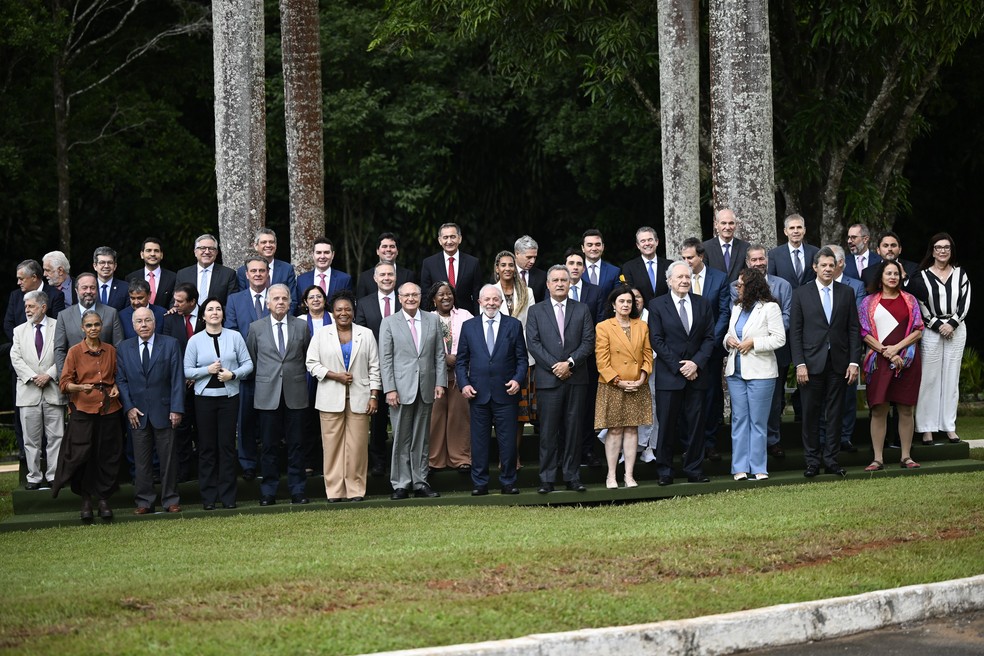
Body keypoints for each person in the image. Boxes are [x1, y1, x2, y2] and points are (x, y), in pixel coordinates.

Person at [789, 247, 861, 478]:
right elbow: (795, 332)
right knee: (810, 414)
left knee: (835, 413)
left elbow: (853, 330)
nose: (828, 269)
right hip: (810, 364)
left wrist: (854, 362)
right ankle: (812, 461)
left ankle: (831, 459)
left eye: (832, 265)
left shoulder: (846, 292)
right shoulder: (801, 293)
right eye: (824, 265)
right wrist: (799, 363)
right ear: (815, 267)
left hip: (839, 363)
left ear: (837, 266)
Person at [526, 265, 596, 493]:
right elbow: (533, 343)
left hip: (576, 378)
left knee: (574, 429)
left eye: (563, 280)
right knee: (548, 431)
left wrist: (570, 363)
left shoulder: (582, 309)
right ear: (547, 284)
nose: (559, 284)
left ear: (569, 283)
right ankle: (547, 478)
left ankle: (572, 476)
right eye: (554, 280)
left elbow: (588, 341)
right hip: (548, 379)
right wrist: (555, 366)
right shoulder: (536, 311)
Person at [306, 290, 380, 502]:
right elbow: (311, 363)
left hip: (360, 397)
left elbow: (375, 367)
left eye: (348, 309)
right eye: (339, 309)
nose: (343, 313)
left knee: (357, 447)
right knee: (332, 446)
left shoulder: (365, 334)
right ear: (332, 312)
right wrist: (334, 375)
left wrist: (374, 395)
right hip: (330, 396)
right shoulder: (321, 335)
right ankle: (335, 491)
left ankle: (356, 490)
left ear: (354, 312)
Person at [648, 261, 716, 485]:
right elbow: (656, 340)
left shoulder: (703, 303)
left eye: (688, 277)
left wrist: (695, 364)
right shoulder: (657, 305)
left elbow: (709, 338)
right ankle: (665, 471)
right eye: (680, 277)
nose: (685, 280)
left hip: (697, 375)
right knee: (667, 425)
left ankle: (694, 469)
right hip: (670, 376)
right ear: (669, 281)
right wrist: (680, 366)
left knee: (696, 425)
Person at [456, 284, 528, 495]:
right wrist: (464, 384)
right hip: (477, 393)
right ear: (479, 302)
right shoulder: (469, 326)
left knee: (507, 442)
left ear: (501, 302)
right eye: (486, 299)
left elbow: (522, 359)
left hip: (506, 392)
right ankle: (480, 483)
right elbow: (461, 361)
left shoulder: (513, 325)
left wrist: (517, 380)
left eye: (495, 299)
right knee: (479, 442)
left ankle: (508, 482)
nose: (491, 303)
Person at [52, 310, 123, 521]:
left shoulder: (110, 350)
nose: (93, 329)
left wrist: (117, 386)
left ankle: (103, 499)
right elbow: (64, 384)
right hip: (83, 409)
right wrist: (79, 387)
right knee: (82, 455)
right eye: (89, 325)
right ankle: (85, 499)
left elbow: (120, 375)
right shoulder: (74, 352)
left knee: (106, 454)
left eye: (97, 325)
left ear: (102, 326)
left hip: (109, 408)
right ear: (82, 328)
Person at [379, 282, 447, 499]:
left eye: (414, 294)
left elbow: (439, 354)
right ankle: (400, 483)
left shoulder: (432, 319)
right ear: (399, 298)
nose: (410, 298)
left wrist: (440, 382)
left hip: (426, 386)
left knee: (421, 438)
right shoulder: (389, 323)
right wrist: (389, 389)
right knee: (401, 437)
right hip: (400, 388)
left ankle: (420, 481)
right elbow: (385, 359)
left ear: (420, 297)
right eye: (406, 295)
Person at [184, 297, 253, 510]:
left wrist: (233, 375)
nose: (214, 312)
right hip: (204, 399)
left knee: (227, 447)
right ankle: (208, 497)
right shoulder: (194, 340)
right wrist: (207, 371)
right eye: (210, 309)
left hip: (229, 399)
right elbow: (187, 370)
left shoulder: (235, 336)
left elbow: (248, 364)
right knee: (206, 448)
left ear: (223, 314)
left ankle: (228, 497)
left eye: (218, 309)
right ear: (203, 316)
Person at [246, 284, 312, 505]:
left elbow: (306, 355)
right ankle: (268, 491)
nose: (280, 302)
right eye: (276, 298)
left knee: (296, 444)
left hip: (295, 392)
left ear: (290, 302)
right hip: (267, 394)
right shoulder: (256, 328)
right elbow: (253, 359)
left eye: (284, 298)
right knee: (269, 445)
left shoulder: (301, 327)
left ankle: (298, 489)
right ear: (267, 303)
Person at [115, 307, 185, 513]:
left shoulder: (170, 344)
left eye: (147, 320)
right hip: (137, 414)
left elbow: (177, 379)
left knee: (168, 459)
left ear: (155, 323)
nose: (143, 325)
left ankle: (171, 499)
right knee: (141, 461)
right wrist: (128, 408)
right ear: (133, 325)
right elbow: (121, 380)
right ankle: (144, 502)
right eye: (139, 321)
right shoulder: (124, 348)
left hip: (165, 411)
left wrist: (177, 409)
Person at [859, 260, 924, 471]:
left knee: (906, 408)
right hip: (879, 361)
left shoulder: (910, 300)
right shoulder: (868, 303)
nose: (893, 277)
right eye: (889, 273)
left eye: (896, 273)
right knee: (879, 409)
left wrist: (897, 349)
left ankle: (906, 456)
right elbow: (864, 333)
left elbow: (918, 330)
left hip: (908, 361)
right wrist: (886, 352)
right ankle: (877, 458)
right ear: (881, 277)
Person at [729, 246, 792, 459]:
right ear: (747, 262)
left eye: (761, 258)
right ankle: (743, 459)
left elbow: (787, 316)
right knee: (743, 415)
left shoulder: (782, 286)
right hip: (739, 362)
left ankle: (771, 443)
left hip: (770, 354)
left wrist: (764, 331)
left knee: (772, 404)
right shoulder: (735, 293)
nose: (758, 262)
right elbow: (733, 323)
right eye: (754, 259)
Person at [724, 268, 785, 481]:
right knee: (739, 419)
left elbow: (779, 339)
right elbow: (730, 334)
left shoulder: (770, 308)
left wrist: (754, 343)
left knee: (758, 421)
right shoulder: (737, 308)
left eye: (741, 285)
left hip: (761, 373)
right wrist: (727, 341)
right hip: (735, 372)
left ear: (751, 286)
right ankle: (739, 468)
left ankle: (759, 467)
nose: (737, 288)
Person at [912, 232, 971, 445]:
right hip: (931, 330)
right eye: (938, 247)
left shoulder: (960, 274)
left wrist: (952, 324)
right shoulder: (923, 275)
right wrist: (938, 325)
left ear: (951, 250)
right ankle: (926, 428)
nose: (943, 251)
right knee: (929, 378)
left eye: (946, 247)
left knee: (951, 377)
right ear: (932, 251)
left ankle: (949, 427)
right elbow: (921, 303)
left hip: (956, 329)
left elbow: (965, 303)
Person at [594, 285, 652, 489]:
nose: (626, 305)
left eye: (629, 301)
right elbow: (601, 361)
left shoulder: (642, 326)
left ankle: (629, 475)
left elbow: (647, 355)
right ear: (613, 304)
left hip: (637, 385)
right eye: (622, 301)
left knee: (632, 430)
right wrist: (618, 381)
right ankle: (611, 476)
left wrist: (642, 377)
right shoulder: (603, 327)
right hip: (613, 385)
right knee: (615, 430)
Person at [679, 237, 732, 461]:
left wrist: (708, 343)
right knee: (685, 399)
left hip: (710, 351)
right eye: (683, 258)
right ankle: (688, 445)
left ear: (701, 256)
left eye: (690, 257)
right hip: (684, 352)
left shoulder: (719, 278)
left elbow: (724, 314)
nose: (686, 262)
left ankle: (709, 443)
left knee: (710, 397)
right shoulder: (679, 278)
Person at [10, 290, 65, 489]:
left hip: (53, 389)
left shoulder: (58, 326)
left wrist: (49, 375)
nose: (27, 310)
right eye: (26, 307)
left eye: (31, 306)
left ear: (43, 307)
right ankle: (34, 477)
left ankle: (53, 476)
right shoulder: (18, 331)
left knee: (56, 437)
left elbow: (63, 354)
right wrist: (34, 377)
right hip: (28, 391)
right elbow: (15, 358)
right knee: (30, 440)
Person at [224, 255, 272, 480]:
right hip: (245, 370)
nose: (258, 274)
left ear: (268, 273)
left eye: (262, 271)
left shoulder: (277, 296)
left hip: (272, 369)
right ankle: (248, 465)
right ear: (246, 274)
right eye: (254, 271)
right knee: (245, 420)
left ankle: (269, 462)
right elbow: (232, 332)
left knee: (269, 420)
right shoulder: (235, 300)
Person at [355, 261, 401, 477]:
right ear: (374, 278)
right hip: (374, 368)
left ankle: (402, 462)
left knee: (402, 417)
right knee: (379, 418)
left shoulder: (405, 300)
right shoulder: (364, 303)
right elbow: (361, 335)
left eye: (390, 274)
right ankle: (379, 462)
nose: (386, 278)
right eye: (382, 274)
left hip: (402, 367)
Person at [492, 250, 535, 469]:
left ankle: (513, 456)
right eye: (503, 265)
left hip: (523, 358)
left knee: (519, 414)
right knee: (500, 412)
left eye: (511, 265)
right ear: (497, 268)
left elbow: (532, 324)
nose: (508, 268)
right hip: (496, 359)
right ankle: (503, 456)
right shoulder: (490, 292)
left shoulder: (527, 292)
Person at [427, 281, 473, 471]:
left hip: (461, 375)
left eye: (449, 294)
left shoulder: (465, 315)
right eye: (441, 295)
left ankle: (460, 458)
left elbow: (473, 340)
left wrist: (458, 358)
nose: (446, 297)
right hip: (434, 376)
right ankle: (433, 460)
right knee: (435, 418)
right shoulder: (427, 318)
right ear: (433, 300)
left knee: (460, 416)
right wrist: (443, 358)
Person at [53, 272, 124, 375]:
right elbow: (59, 350)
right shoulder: (64, 316)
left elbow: (119, 348)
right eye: (84, 288)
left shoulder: (111, 313)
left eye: (92, 288)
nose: (89, 291)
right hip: (75, 380)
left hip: (105, 379)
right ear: (76, 290)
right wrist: (65, 380)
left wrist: (116, 379)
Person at [420, 223, 483, 312]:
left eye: (453, 237)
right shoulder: (429, 263)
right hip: (437, 318)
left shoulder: (472, 263)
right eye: (445, 237)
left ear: (459, 239)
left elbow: (477, 295)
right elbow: (426, 295)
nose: (449, 241)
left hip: (466, 317)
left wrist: (477, 320)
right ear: (439, 240)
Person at [175, 233, 239, 306]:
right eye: (202, 248)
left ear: (216, 252)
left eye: (211, 248)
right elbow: (175, 301)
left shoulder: (228, 274)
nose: (207, 252)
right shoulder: (183, 274)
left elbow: (232, 305)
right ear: (195, 252)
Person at [235, 228, 297, 300]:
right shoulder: (243, 271)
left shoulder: (287, 269)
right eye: (264, 242)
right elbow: (242, 299)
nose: (268, 245)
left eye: (271, 242)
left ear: (275, 245)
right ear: (256, 246)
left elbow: (292, 300)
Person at [295, 237, 352, 312]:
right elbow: (299, 307)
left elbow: (349, 307)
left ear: (333, 255)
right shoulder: (301, 280)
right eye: (318, 252)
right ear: (312, 255)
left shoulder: (344, 279)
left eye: (326, 252)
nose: (322, 256)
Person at [355, 232, 418, 298]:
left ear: (397, 251)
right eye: (384, 246)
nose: (388, 249)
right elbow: (360, 305)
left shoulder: (408, 276)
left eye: (392, 246)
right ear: (377, 251)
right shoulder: (365, 277)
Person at [620, 226, 671, 306]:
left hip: (666, 312)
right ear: (638, 245)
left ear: (657, 242)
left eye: (650, 240)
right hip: (641, 314)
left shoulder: (670, 265)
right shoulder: (629, 267)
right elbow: (629, 294)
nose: (647, 243)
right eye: (643, 241)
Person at [767, 214, 819, 289]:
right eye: (792, 228)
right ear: (785, 231)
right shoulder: (774, 254)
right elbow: (772, 282)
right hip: (786, 299)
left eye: (799, 227)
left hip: (810, 298)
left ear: (804, 230)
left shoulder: (815, 252)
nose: (796, 231)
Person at [126, 237, 175, 310]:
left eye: (156, 251)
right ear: (142, 254)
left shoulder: (173, 278)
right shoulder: (131, 278)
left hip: (164, 319)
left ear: (161, 255)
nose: (152, 254)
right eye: (148, 251)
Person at [702, 208, 750, 283]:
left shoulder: (745, 247)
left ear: (736, 225)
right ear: (716, 225)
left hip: (738, 292)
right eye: (723, 223)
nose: (727, 227)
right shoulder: (706, 248)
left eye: (731, 223)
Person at [581, 229, 621, 298]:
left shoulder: (614, 272)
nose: (594, 248)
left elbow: (617, 298)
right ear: (583, 248)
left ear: (603, 247)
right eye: (589, 245)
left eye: (597, 244)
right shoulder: (575, 270)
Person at [91, 246, 129, 310]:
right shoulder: (88, 288)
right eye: (102, 262)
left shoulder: (125, 288)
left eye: (110, 262)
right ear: (95, 266)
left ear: (115, 266)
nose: (106, 266)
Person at [514, 235, 547, 303]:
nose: (532, 261)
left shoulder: (542, 276)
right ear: (517, 254)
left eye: (534, 257)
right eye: (529, 257)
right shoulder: (504, 274)